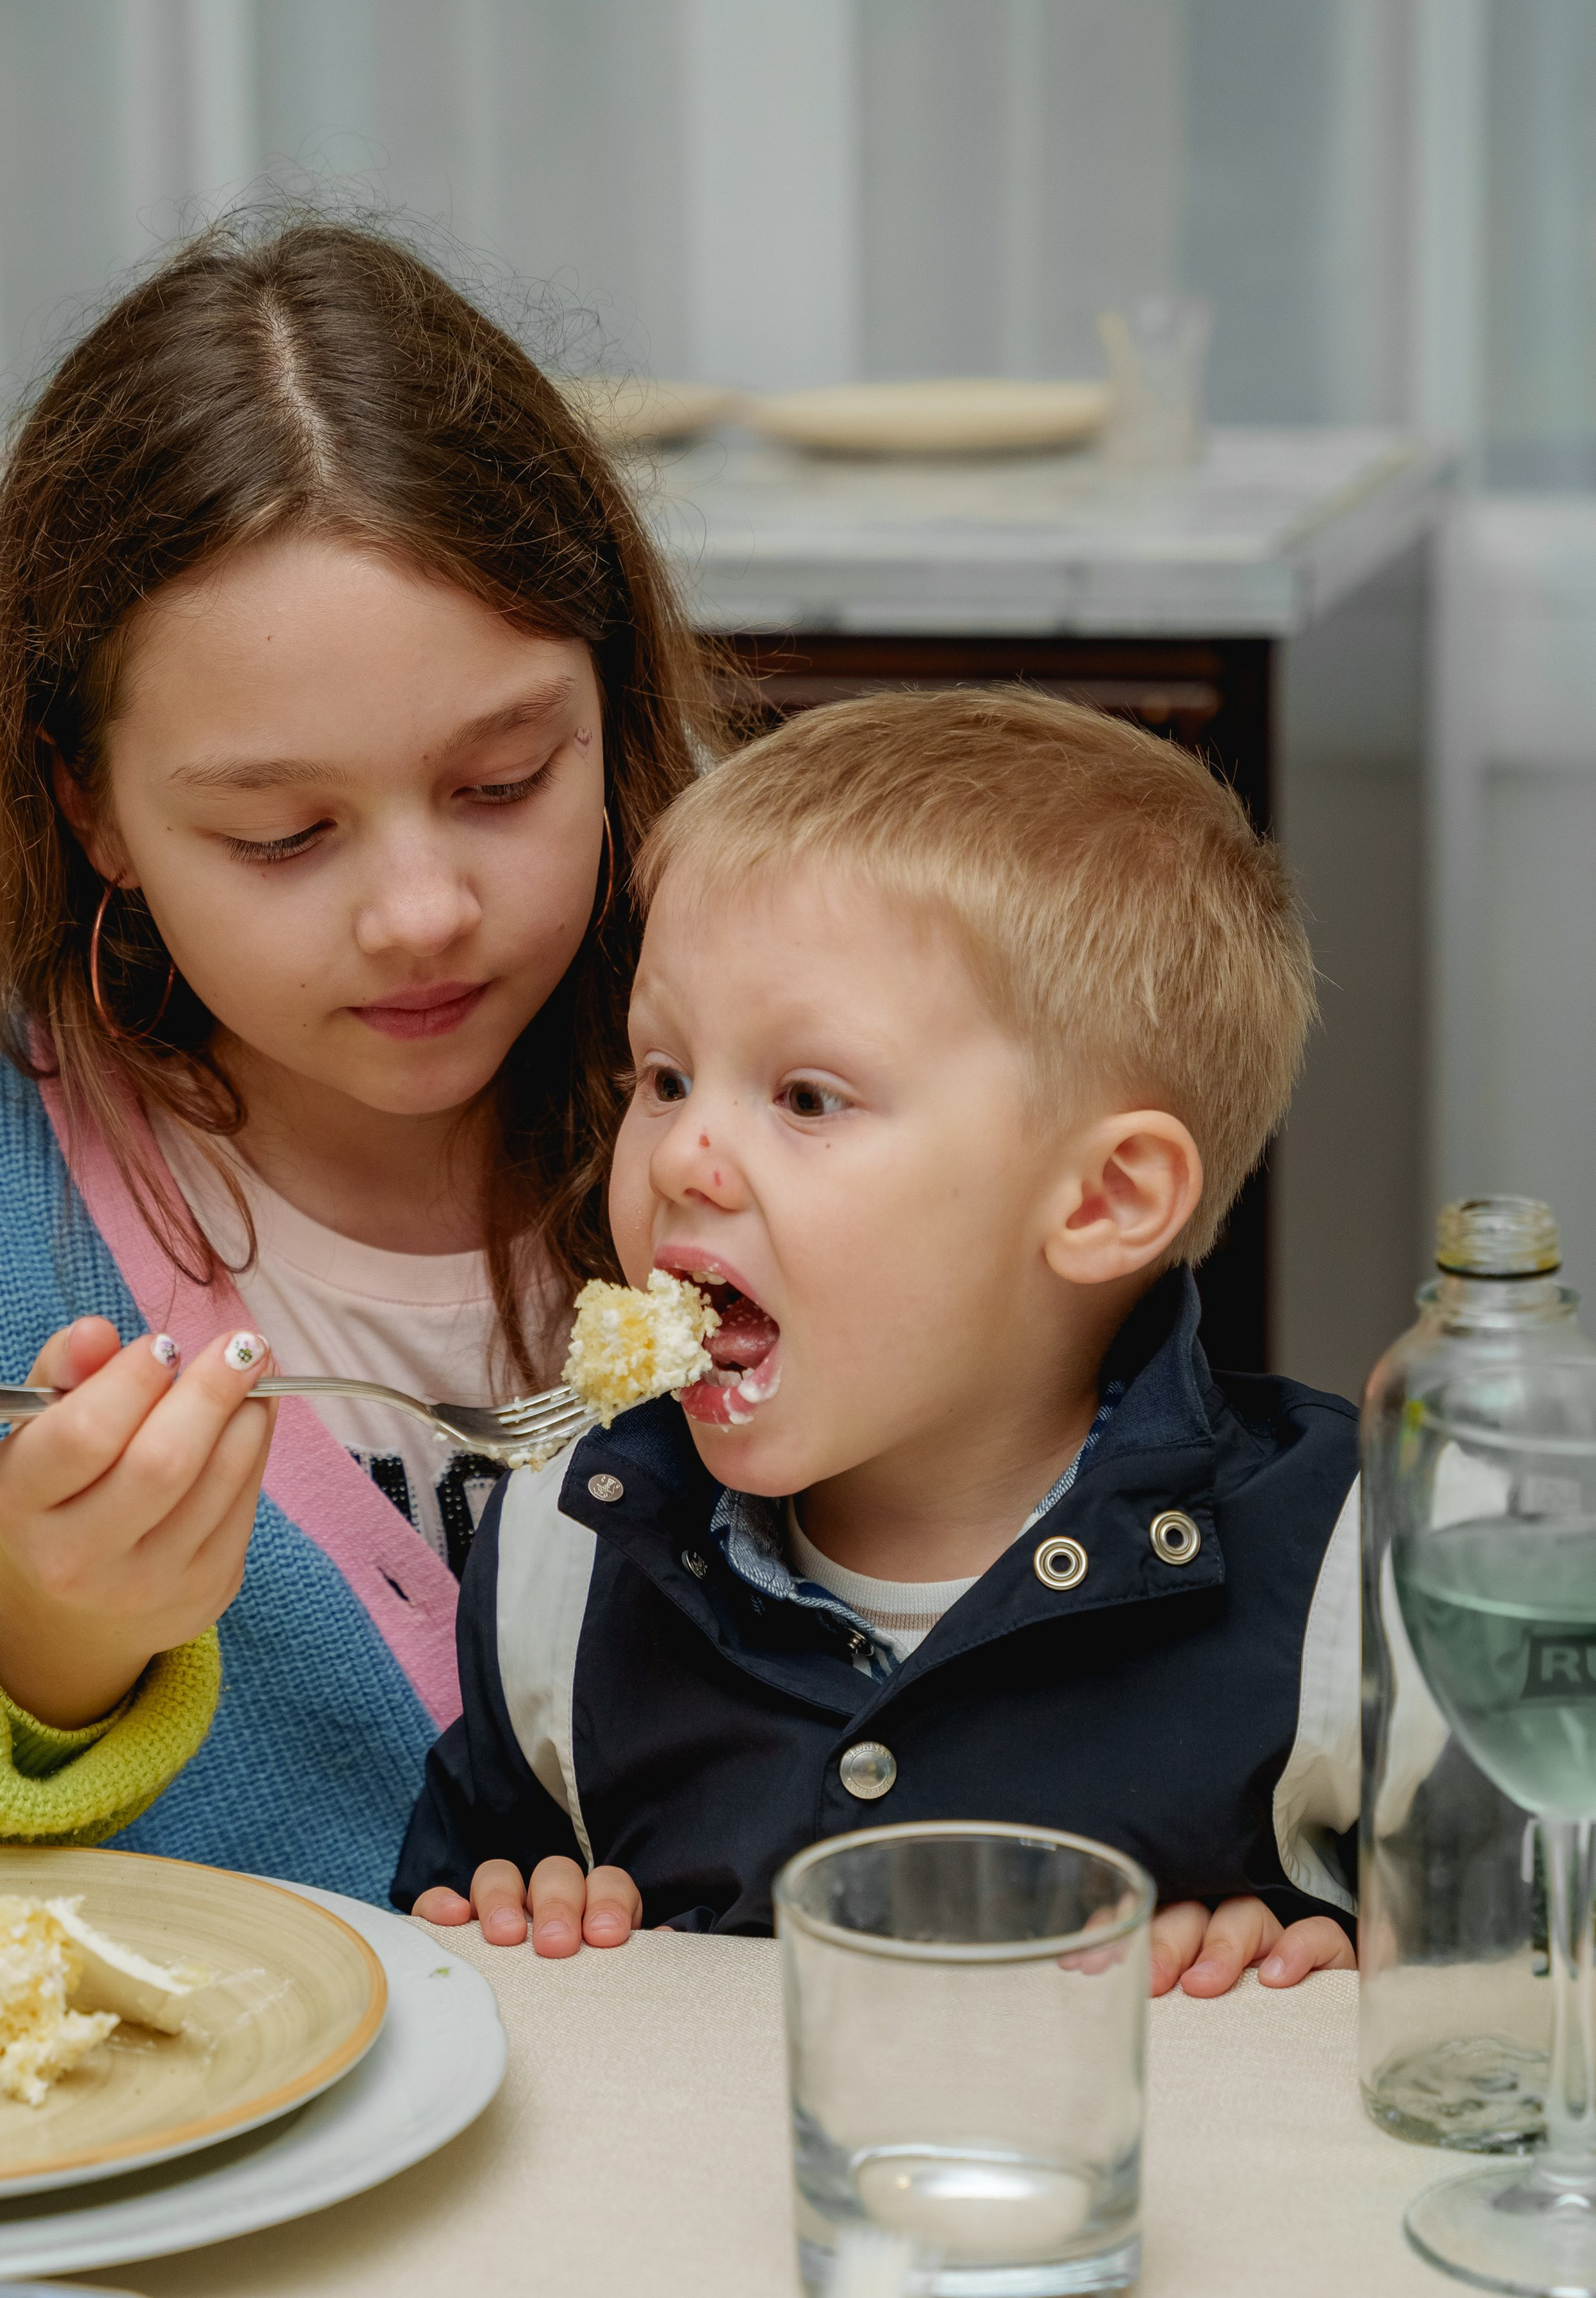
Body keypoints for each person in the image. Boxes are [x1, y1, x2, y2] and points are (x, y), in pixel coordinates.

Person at [0, 217, 726, 1906]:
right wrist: (27, 1638)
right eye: (281, 834)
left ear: (611, 709)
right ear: (91, 809)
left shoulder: (773, 1121)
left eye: (502, 784)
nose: (421, 911)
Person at [398, 689, 1362, 2000]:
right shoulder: (562, 1552)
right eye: (666, 1075)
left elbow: (1506, 2006)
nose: (682, 1152)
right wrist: (520, 1906)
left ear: (1104, 1201)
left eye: (805, 1096)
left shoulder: (1351, 1579)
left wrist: (1335, 1963)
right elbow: (454, 1938)